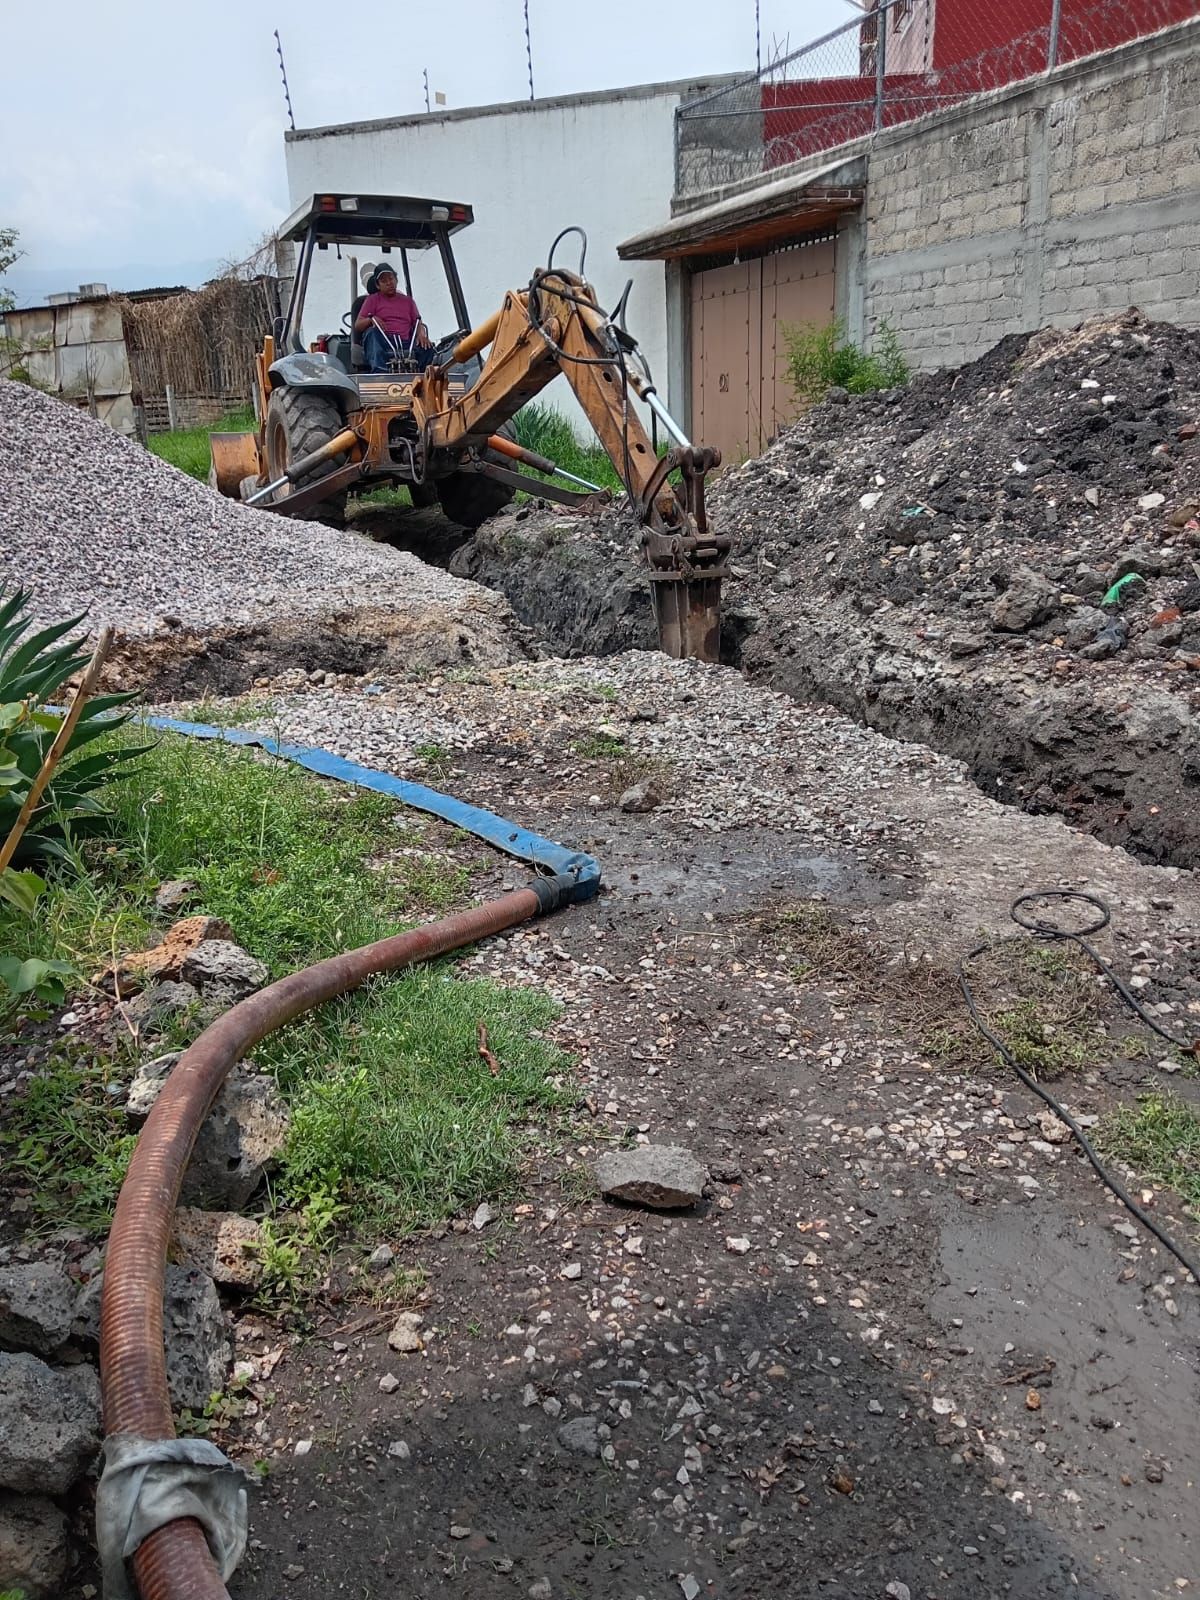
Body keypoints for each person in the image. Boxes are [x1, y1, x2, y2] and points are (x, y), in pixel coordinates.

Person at [354, 266, 432, 371]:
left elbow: (417, 322)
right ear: (378, 285)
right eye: (384, 281)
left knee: (428, 347)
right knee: (372, 333)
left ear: (396, 280)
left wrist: (421, 334)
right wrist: (371, 320)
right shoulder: (372, 300)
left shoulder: (408, 301)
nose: (389, 283)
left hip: (406, 342)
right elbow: (358, 325)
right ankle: (381, 373)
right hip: (383, 342)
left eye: (391, 279)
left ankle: (425, 375)